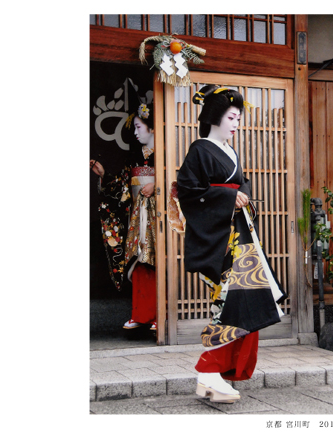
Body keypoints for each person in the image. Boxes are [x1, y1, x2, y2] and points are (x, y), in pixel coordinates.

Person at [176, 85, 286, 403]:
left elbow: (242, 182)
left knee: (247, 299)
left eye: (238, 118)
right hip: (220, 240)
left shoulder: (231, 152)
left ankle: (219, 373)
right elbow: (188, 191)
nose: (237, 124)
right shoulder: (200, 149)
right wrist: (228, 196)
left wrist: (242, 194)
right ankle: (209, 371)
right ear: (215, 117)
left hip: (239, 236)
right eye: (232, 117)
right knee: (229, 301)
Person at [90, 78, 158, 332]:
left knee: (159, 262)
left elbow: (179, 179)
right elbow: (121, 186)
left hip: (159, 217)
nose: (136, 132)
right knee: (139, 262)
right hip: (138, 216)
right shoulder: (134, 158)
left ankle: (160, 315)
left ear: (153, 128)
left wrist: (158, 186)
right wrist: (105, 176)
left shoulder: (167, 155)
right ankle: (141, 313)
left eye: (139, 127)